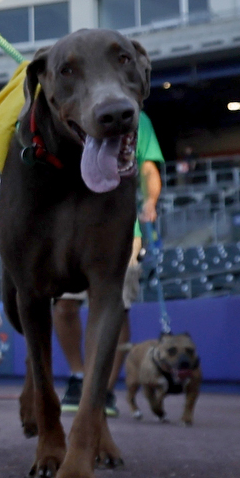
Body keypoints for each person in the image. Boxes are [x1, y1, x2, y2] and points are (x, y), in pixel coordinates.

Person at [54, 110, 164, 415]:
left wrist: (151, 201)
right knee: (63, 305)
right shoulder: (67, 113)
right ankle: (79, 376)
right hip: (70, 227)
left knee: (116, 309)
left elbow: (148, 169)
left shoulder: (138, 119)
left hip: (122, 228)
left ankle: (103, 389)